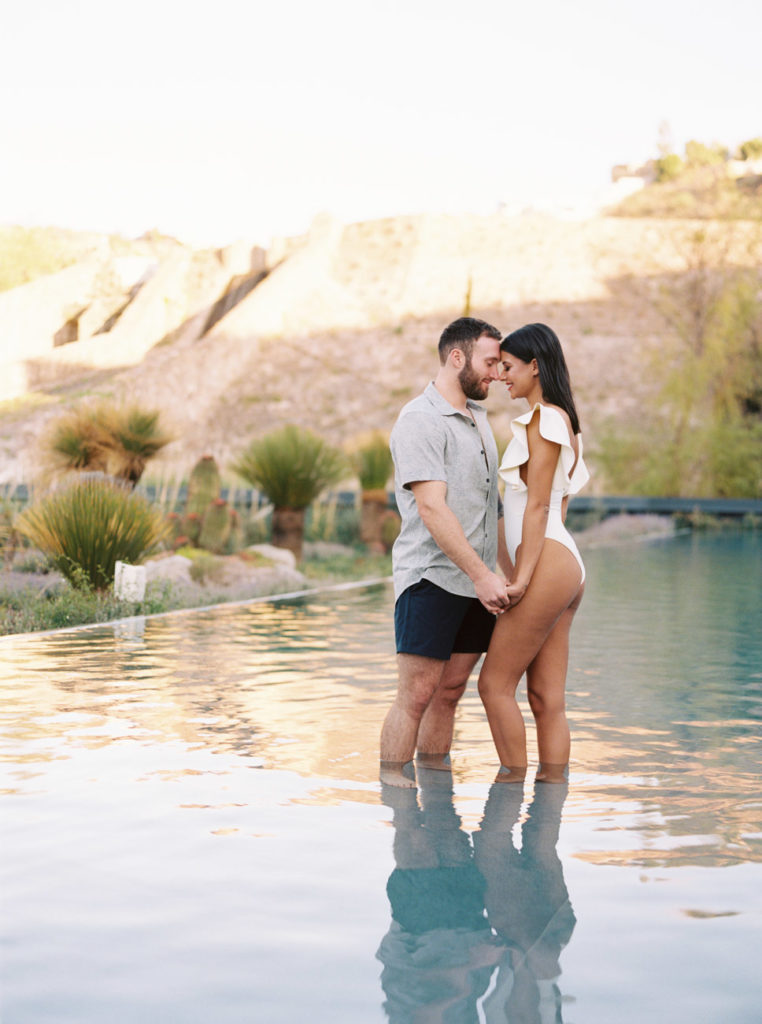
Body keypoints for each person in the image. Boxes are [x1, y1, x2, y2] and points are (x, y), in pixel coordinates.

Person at [380, 317, 512, 788]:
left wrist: (508, 573)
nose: (497, 373)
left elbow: (493, 505)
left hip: (476, 581)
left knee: (450, 691)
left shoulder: (478, 420)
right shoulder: (420, 420)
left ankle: (435, 787)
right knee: (417, 693)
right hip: (431, 577)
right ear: (457, 357)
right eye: (490, 362)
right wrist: (482, 575)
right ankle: (393, 788)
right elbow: (432, 508)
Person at [478, 323, 589, 784]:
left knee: (493, 685)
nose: (502, 376)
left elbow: (540, 505)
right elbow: (558, 506)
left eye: (508, 366)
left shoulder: (544, 420)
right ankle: (549, 805)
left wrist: (522, 578)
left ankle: (509, 793)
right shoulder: (565, 420)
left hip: (546, 565)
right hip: (564, 564)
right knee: (546, 699)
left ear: (535, 366)